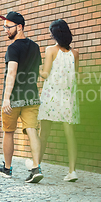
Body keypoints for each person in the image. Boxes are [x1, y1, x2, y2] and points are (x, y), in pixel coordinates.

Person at [0, 11, 43, 183]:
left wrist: (6, 98)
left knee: (8, 132)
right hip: (31, 96)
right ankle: (36, 168)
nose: (5, 30)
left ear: (20, 27)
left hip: (14, 97)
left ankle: (7, 168)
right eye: (4, 27)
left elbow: (12, 73)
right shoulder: (36, 47)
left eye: (8, 27)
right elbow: (36, 72)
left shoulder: (13, 48)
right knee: (32, 130)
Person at [34, 19, 80, 182]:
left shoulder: (51, 50)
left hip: (51, 97)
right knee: (70, 135)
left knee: (44, 134)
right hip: (68, 98)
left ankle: (36, 166)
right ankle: (72, 171)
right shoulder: (75, 54)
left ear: (54, 34)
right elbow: (75, 77)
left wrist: (36, 70)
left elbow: (46, 73)